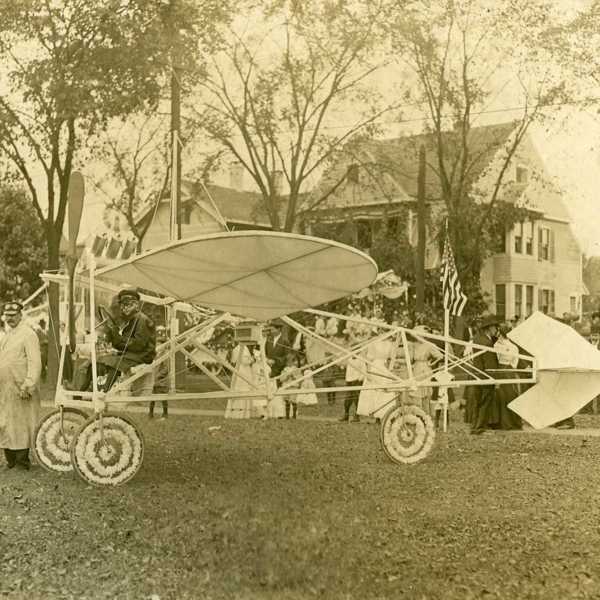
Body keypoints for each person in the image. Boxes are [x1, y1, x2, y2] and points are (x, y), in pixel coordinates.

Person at [71, 288, 156, 393]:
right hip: (133, 353)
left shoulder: (142, 320)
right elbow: (123, 343)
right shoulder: (131, 320)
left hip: (144, 355)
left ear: (136, 305)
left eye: (127, 305)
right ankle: (82, 390)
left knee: (115, 362)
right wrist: (112, 335)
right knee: (98, 360)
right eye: (122, 306)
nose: (124, 308)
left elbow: (139, 344)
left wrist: (118, 338)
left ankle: (105, 391)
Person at [0, 301, 42, 470]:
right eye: (7, 315)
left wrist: (29, 384)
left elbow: (35, 362)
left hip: (20, 387)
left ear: (20, 315)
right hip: (6, 387)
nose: (10, 318)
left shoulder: (28, 334)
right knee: (5, 423)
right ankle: (10, 461)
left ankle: (22, 462)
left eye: (13, 315)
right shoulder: (7, 336)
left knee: (21, 423)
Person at [470, 314, 501, 435]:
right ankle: (480, 428)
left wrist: (493, 339)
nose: (496, 330)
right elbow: (491, 364)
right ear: (489, 328)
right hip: (486, 375)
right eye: (495, 328)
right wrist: (495, 380)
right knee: (485, 402)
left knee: (477, 402)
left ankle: (475, 426)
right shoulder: (487, 343)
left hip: (476, 374)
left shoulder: (477, 339)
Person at [357, 329, 397, 422]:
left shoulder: (390, 344)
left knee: (384, 391)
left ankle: (383, 413)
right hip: (374, 366)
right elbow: (369, 357)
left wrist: (390, 368)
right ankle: (374, 414)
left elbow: (392, 358)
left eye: (384, 331)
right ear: (378, 332)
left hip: (384, 368)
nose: (383, 333)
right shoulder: (374, 342)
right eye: (381, 331)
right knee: (373, 390)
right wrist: (368, 370)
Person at [493, 322, 523, 430]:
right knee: (511, 395)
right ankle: (513, 422)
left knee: (502, 396)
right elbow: (516, 361)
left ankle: (504, 422)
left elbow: (496, 359)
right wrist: (512, 368)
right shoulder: (513, 346)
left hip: (501, 370)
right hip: (510, 371)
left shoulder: (497, 345)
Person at [225, 342, 257, 419]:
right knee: (244, 388)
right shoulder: (244, 348)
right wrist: (253, 359)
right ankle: (242, 413)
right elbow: (245, 361)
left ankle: (235, 412)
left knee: (238, 388)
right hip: (244, 370)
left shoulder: (236, 348)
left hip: (237, 369)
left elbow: (233, 360)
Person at [149, 325, 169, 419]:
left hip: (162, 380)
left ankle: (165, 413)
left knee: (163, 398)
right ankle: (150, 413)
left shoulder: (165, 355)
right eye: (157, 344)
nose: (158, 346)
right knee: (152, 397)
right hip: (154, 379)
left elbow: (166, 369)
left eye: (159, 344)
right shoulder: (156, 355)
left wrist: (158, 376)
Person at [340, 348, 365, 422]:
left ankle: (356, 416)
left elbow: (364, 371)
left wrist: (359, 380)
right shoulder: (349, 359)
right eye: (352, 351)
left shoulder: (361, 360)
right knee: (347, 399)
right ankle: (346, 415)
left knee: (356, 399)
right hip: (349, 381)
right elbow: (343, 366)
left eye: (355, 351)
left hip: (357, 381)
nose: (353, 353)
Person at [280, 353, 301, 419]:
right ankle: (287, 415)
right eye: (288, 361)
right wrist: (286, 377)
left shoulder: (296, 369)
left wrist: (294, 376)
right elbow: (281, 379)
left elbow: (300, 378)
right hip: (286, 386)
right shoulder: (284, 370)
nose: (289, 363)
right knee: (287, 400)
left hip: (293, 386)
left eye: (291, 361)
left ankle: (294, 415)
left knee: (293, 400)